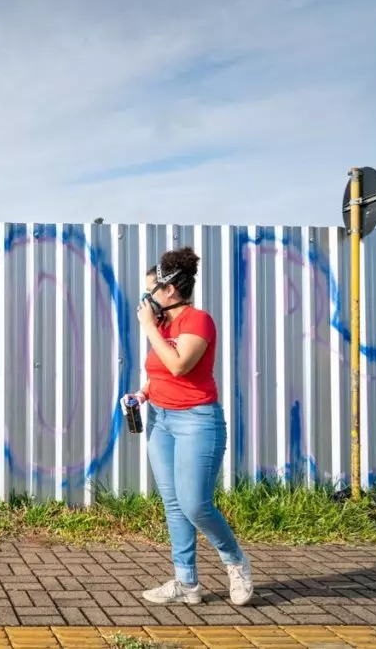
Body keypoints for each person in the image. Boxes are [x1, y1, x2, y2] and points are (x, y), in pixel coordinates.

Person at [121, 246, 253, 606]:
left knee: (195, 505)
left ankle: (235, 561)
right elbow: (160, 371)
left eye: (149, 291)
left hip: (197, 421)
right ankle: (186, 583)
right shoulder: (163, 326)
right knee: (174, 504)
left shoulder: (198, 321)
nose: (145, 300)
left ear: (168, 290)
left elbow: (179, 365)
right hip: (161, 420)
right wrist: (143, 393)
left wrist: (149, 327)